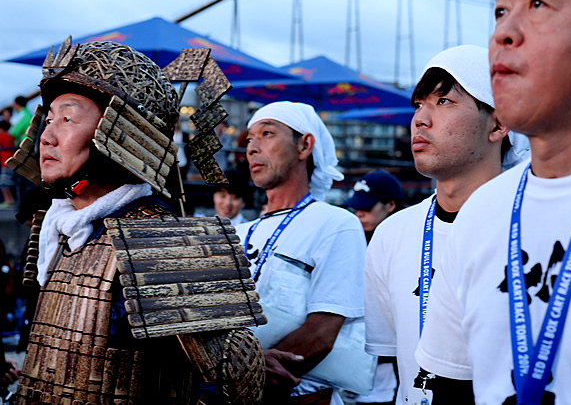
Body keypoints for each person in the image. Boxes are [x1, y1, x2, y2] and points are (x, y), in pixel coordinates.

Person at [8, 38, 265, 404]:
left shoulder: (161, 239)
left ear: (119, 131)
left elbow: (233, 380)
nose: (47, 137)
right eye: (48, 119)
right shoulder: (54, 228)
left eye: (67, 119)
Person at [415, 0, 571, 403]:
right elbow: (449, 384)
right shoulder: (484, 210)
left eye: (538, 3)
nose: (503, 33)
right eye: (501, 11)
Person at [364, 44, 529, 405]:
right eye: (418, 104)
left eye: (443, 102)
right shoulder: (392, 234)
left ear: (498, 123)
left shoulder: (534, 228)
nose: (420, 119)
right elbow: (395, 358)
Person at [236, 101, 373, 404]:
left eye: (267, 133)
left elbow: (322, 331)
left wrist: (248, 372)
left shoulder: (336, 224)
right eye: (249, 139)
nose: (252, 148)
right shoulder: (240, 232)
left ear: (305, 145)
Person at [343, 169, 405, 405]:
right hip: (353, 354)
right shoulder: (352, 238)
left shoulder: (407, 240)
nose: (359, 213)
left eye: (367, 207)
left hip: (391, 359)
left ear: (390, 205)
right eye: (356, 207)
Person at [0, 121, 16, 208]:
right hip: (11, 162)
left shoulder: (2, 136)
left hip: (4, 163)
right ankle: (10, 200)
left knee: (3, 184)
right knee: (8, 183)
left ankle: (8, 201)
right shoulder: (11, 137)